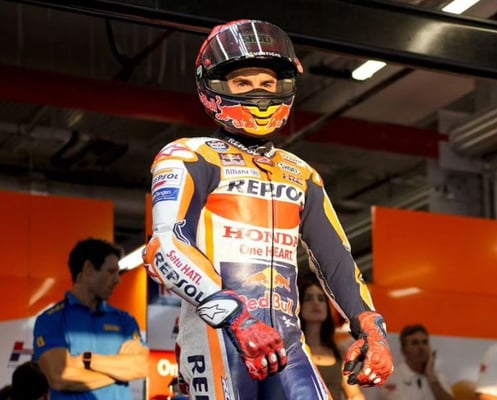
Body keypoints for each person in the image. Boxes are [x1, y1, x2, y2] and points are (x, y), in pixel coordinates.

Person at [143, 18, 393, 400]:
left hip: (288, 344)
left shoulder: (301, 173)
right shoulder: (190, 156)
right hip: (217, 336)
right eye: (243, 83)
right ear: (214, 86)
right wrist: (235, 317)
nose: (258, 92)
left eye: (267, 82)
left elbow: (337, 261)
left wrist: (371, 327)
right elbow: (164, 248)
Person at [33, 238, 149, 400]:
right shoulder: (52, 320)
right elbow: (60, 376)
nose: (117, 280)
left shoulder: (125, 320)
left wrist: (86, 360)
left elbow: (143, 366)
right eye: (111, 272)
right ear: (88, 269)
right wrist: (121, 373)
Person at [299, 280, 366, 400]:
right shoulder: (293, 350)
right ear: (299, 305)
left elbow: (353, 393)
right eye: (308, 299)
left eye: (321, 299)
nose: (316, 303)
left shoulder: (339, 350)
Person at [379, 324, 454, 400]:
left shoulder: (438, 376)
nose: (421, 347)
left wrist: (432, 378)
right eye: (415, 343)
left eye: (424, 342)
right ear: (404, 350)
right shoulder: (392, 378)